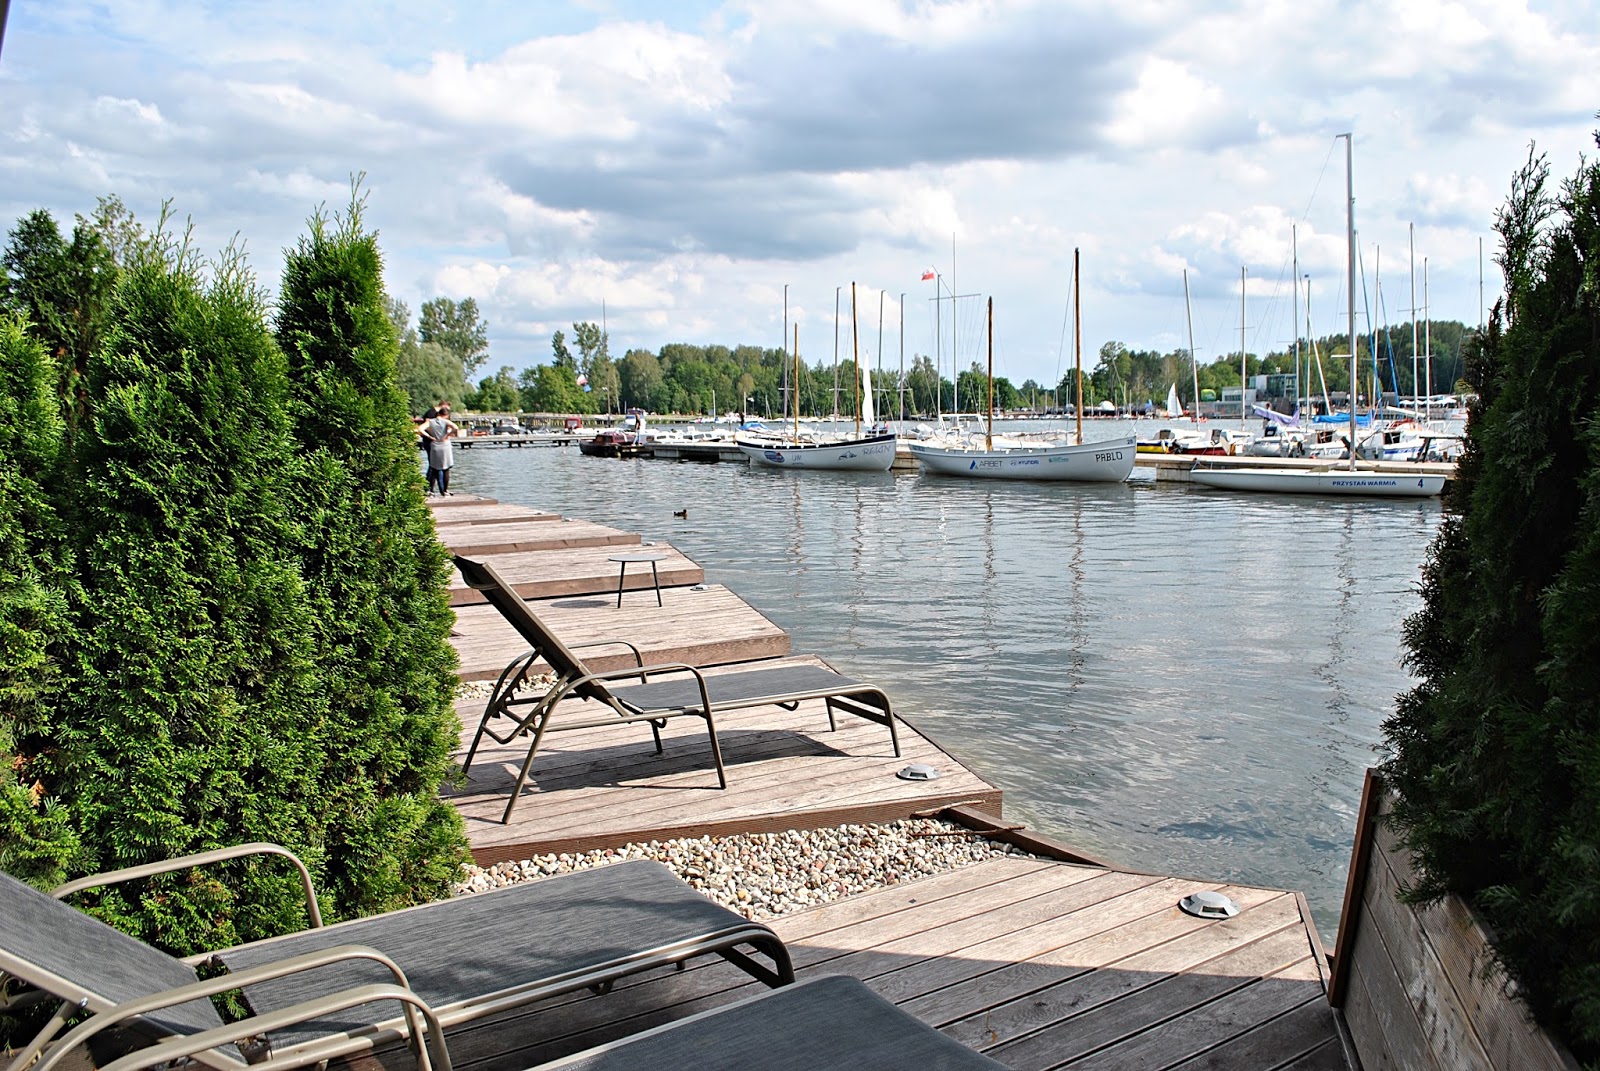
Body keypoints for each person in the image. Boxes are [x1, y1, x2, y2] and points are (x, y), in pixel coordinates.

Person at [424, 404, 460, 495]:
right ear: (446, 415)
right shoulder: (445, 421)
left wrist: (429, 436)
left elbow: (420, 429)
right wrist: (447, 435)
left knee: (433, 467)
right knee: (446, 468)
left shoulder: (431, 421)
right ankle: (445, 491)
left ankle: (430, 490)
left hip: (435, 445)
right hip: (445, 445)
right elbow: (456, 427)